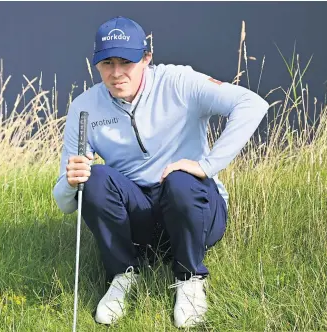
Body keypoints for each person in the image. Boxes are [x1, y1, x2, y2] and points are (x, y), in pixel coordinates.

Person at [52, 16, 269, 328]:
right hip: (140, 219)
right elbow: (64, 202)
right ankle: (124, 274)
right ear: (96, 64)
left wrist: (207, 166)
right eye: (107, 63)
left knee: (182, 180)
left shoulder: (178, 82)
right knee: (95, 178)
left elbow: (252, 104)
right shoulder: (85, 108)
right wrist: (72, 183)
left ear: (147, 58)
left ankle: (189, 277)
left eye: (126, 61)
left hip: (195, 210)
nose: (115, 73)